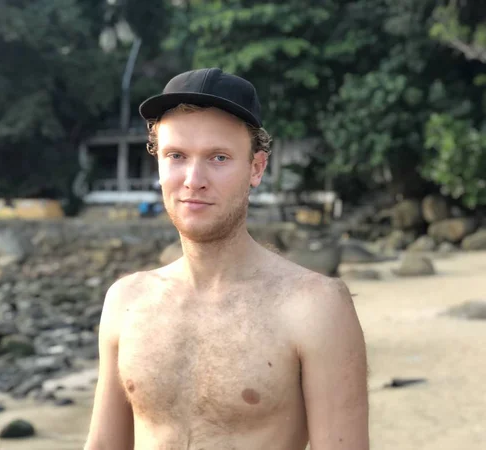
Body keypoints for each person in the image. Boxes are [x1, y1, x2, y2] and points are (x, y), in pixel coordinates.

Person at [84, 68, 369, 450]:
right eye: (176, 156)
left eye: (218, 157)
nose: (193, 179)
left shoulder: (314, 307)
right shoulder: (126, 301)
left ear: (256, 168)